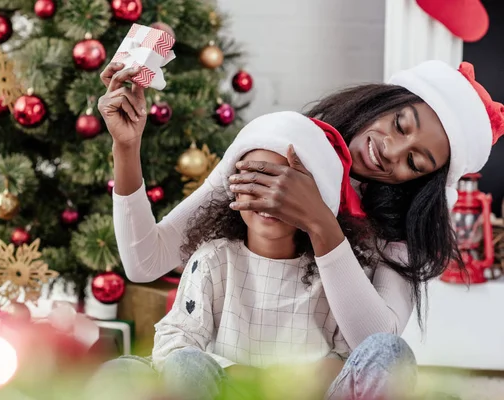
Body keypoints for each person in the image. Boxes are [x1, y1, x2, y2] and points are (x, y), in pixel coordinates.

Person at [97, 60, 504, 398]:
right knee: (125, 374)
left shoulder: (394, 232)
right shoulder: (276, 146)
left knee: (391, 357)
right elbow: (144, 260)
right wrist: (126, 147)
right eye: (399, 124)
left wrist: (320, 223)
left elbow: (376, 341)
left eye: (415, 163)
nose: (390, 151)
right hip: (228, 369)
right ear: (382, 101)